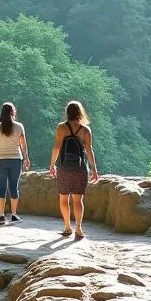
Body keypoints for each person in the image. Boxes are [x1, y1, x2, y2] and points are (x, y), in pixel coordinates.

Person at [48, 101, 98, 241]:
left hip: (64, 167)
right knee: (78, 199)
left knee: (63, 198)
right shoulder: (85, 130)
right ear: (80, 112)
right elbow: (89, 150)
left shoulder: (61, 128)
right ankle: (79, 229)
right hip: (80, 168)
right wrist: (94, 169)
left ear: (67, 112)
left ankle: (67, 227)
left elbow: (56, 148)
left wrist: (52, 165)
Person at [0, 103, 29, 224]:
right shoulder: (19, 127)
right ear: (13, 112)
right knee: (13, 187)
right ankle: (14, 215)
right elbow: (23, 144)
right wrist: (26, 158)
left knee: (1, 187)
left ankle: (1, 216)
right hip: (16, 160)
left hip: (0, 160)